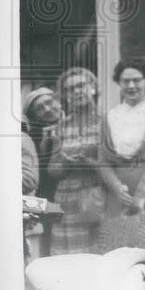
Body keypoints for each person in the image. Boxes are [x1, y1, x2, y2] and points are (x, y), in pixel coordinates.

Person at [95, 58, 145, 252]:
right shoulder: (109, 116)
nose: (131, 86)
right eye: (125, 81)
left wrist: (140, 194)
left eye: (137, 80)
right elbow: (103, 160)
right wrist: (116, 188)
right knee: (116, 249)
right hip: (118, 193)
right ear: (118, 83)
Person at [47, 68, 105, 255]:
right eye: (70, 89)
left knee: (98, 255)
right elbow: (52, 170)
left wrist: (87, 161)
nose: (76, 91)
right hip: (67, 197)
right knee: (69, 258)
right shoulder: (61, 127)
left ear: (93, 88)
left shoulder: (106, 122)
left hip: (96, 196)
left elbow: (116, 164)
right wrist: (65, 162)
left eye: (81, 85)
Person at [22, 87, 62, 203]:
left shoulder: (76, 124)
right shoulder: (33, 139)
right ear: (34, 117)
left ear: (59, 102)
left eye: (49, 102)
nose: (47, 109)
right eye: (39, 108)